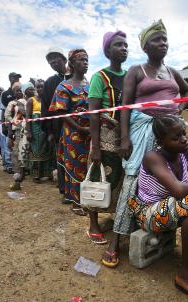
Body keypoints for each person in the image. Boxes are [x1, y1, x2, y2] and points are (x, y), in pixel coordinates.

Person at [104, 19, 188, 265]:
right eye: (156, 39)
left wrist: (181, 108)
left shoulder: (173, 72)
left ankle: (161, 226)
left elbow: (187, 91)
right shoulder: (136, 71)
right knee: (133, 182)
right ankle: (116, 240)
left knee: (173, 175)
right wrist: (124, 138)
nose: (162, 43)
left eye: (164, 39)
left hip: (170, 133)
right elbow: (125, 106)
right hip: (142, 132)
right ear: (145, 46)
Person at [127, 115, 188, 302]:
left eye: (184, 134)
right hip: (148, 213)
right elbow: (178, 189)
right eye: (176, 137)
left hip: (172, 207)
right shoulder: (153, 157)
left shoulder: (184, 152)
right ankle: (185, 275)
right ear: (161, 142)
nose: (184, 139)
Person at [86, 31, 128, 248]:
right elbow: (93, 113)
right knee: (99, 178)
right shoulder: (99, 77)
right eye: (119, 45)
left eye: (126, 45)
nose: (124, 48)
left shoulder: (130, 76)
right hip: (104, 136)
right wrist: (95, 147)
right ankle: (93, 224)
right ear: (108, 50)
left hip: (125, 137)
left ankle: (115, 220)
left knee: (121, 179)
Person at [49, 49, 90, 215]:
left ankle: (86, 200)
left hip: (90, 133)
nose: (85, 62)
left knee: (88, 166)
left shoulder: (89, 84)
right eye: (81, 60)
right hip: (73, 134)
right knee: (75, 166)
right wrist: (80, 128)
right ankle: (75, 202)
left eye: (87, 60)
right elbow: (61, 112)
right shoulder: (64, 86)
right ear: (71, 64)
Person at [41, 47, 69, 193]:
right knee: (62, 158)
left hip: (79, 127)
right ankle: (64, 189)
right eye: (49, 60)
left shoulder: (78, 78)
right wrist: (49, 131)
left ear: (64, 59)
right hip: (58, 128)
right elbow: (45, 109)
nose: (52, 61)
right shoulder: (50, 82)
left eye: (55, 57)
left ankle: (77, 188)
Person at [26, 79, 54, 182]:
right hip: (35, 130)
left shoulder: (48, 99)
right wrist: (29, 132)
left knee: (47, 151)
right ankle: (36, 175)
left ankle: (47, 174)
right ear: (35, 88)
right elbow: (28, 117)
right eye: (38, 87)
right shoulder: (31, 100)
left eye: (42, 86)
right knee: (36, 152)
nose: (40, 88)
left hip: (46, 130)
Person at [4, 82, 26, 190]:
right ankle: (18, 174)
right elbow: (7, 116)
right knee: (16, 151)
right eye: (17, 90)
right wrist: (14, 123)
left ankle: (26, 172)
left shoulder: (27, 101)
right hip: (17, 129)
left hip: (27, 128)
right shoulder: (12, 103)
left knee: (26, 150)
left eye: (20, 90)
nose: (19, 92)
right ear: (14, 93)